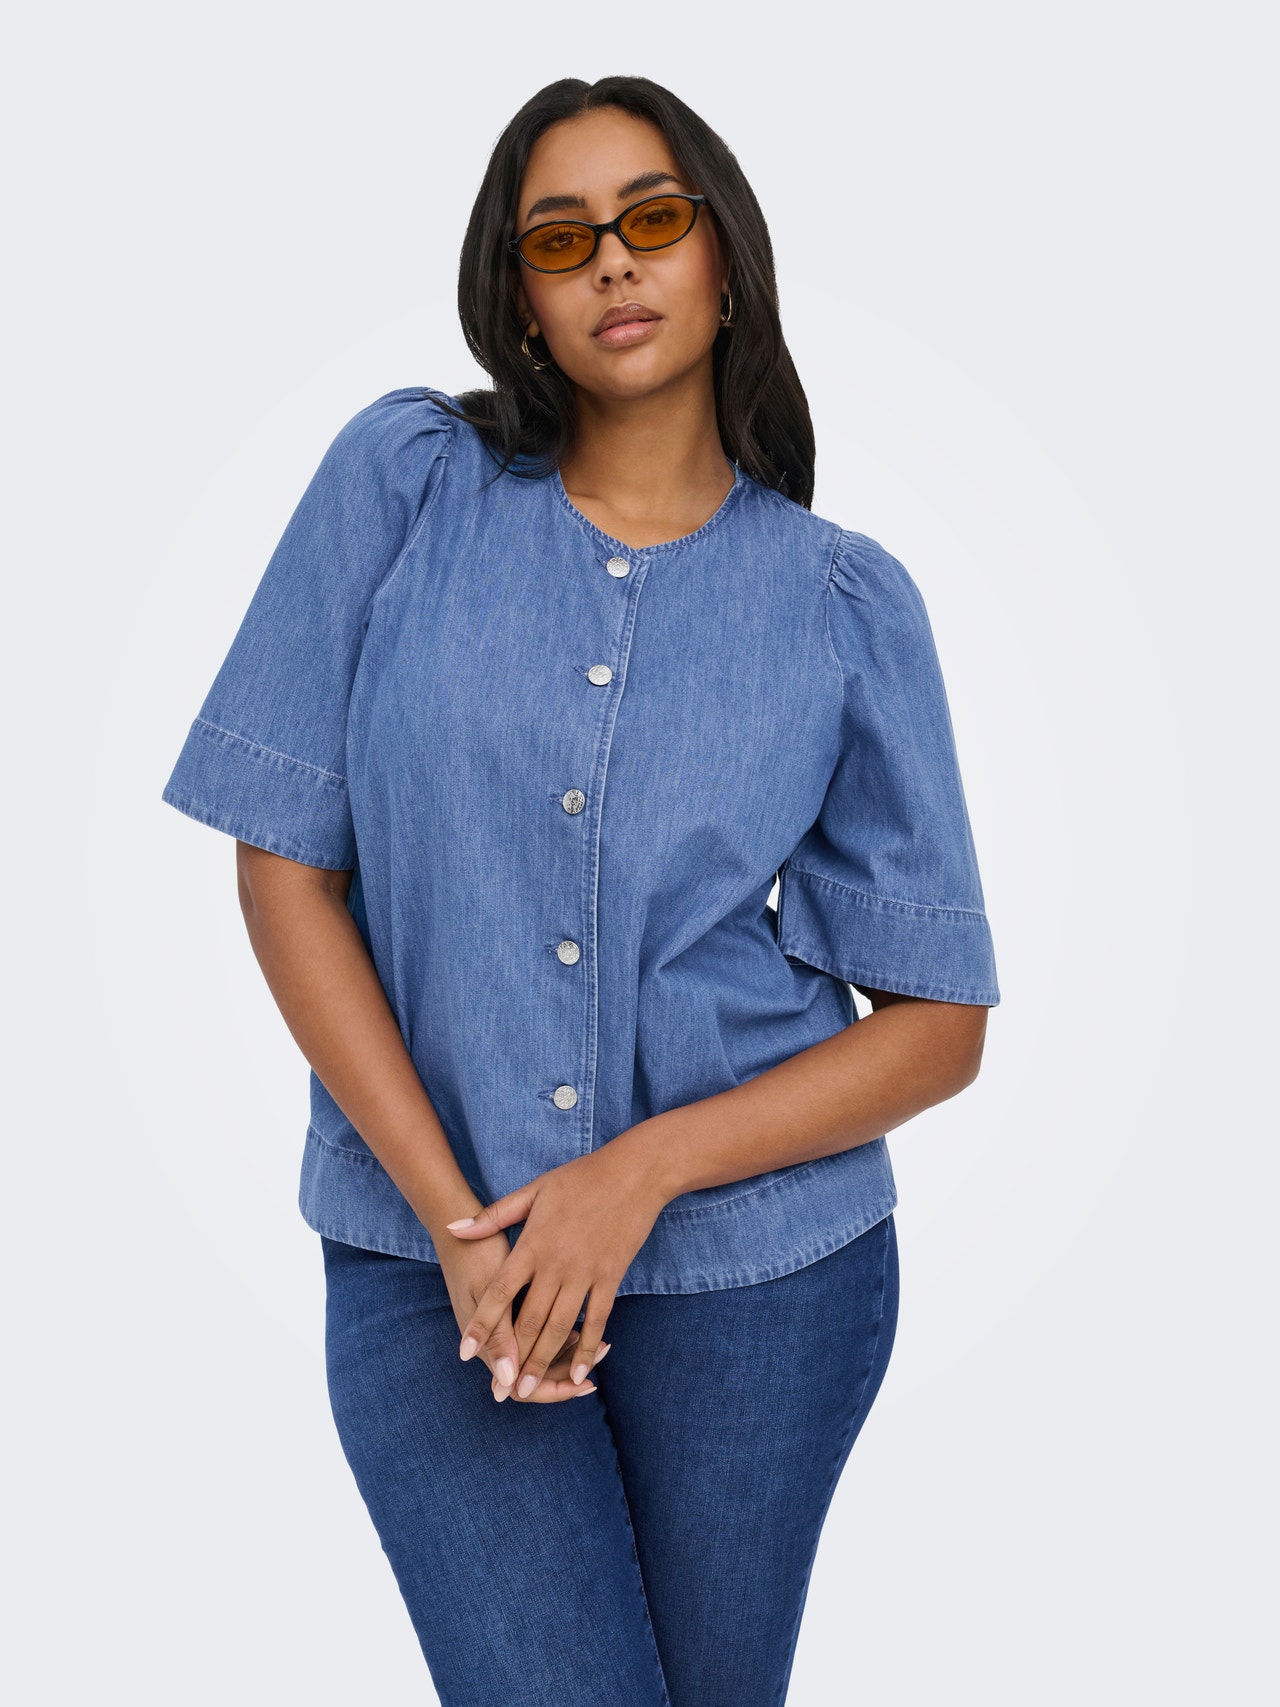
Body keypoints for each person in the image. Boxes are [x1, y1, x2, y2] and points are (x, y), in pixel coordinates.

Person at [162, 74, 999, 1707]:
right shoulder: (407, 483)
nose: (613, 259)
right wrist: (459, 1228)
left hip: (760, 1283)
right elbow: (285, 868)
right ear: (523, 300)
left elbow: (938, 1024)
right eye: (563, 238)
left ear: (723, 260)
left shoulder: (842, 604)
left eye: (652, 220)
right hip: (432, 1266)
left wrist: (637, 1175)